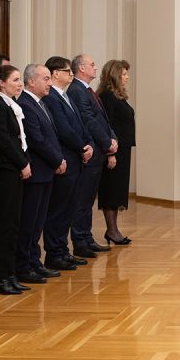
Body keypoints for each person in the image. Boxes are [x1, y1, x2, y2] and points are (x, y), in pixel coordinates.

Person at [0, 65, 31, 295]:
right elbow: (4, 141)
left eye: (20, 80)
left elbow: (19, 139)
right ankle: (0, 279)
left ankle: (11, 274)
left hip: (13, 170)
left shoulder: (11, 105)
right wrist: (22, 163)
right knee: (3, 226)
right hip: (3, 172)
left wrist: (23, 161)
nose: (19, 84)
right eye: (15, 80)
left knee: (13, 225)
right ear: (1, 83)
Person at [16, 64, 65, 284]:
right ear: (31, 81)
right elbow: (37, 140)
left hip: (46, 172)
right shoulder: (25, 104)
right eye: (45, 79)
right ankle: (24, 265)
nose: (49, 83)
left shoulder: (40, 103)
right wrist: (57, 159)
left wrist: (58, 159)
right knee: (29, 222)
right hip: (35, 173)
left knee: (38, 222)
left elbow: (51, 136)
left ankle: (35, 262)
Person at [42, 56, 91, 271]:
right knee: (58, 210)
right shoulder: (51, 97)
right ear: (56, 73)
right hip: (65, 158)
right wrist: (82, 147)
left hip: (75, 158)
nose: (71, 74)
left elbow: (79, 124)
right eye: (67, 71)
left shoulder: (64, 95)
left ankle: (63, 251)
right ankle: (54, 253)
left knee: (69, 208)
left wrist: (87, 144)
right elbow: (64, 130)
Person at [67, 53, 116, 255]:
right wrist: (107, 143)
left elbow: (102, 119)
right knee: (82, 200)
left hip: (98, 152)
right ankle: (80, 241)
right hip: (91, 152)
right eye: (92, 64)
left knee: (88, 200)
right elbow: (88, 121)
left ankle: (86, 238)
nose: (95, 67)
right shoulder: (77, 90)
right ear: (81, 68)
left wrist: (111, 138)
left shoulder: (87, 89)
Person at [98, 59, 135, 244]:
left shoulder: (118, 96)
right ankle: (112, 231)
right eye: (124, 74)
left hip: (123, 149)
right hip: (113, 151)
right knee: (111, 190)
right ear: (114, 75)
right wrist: (110, 153)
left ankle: (113, 230)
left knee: (118, 190)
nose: (127, 77)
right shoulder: (107, 97)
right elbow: (107, 125)